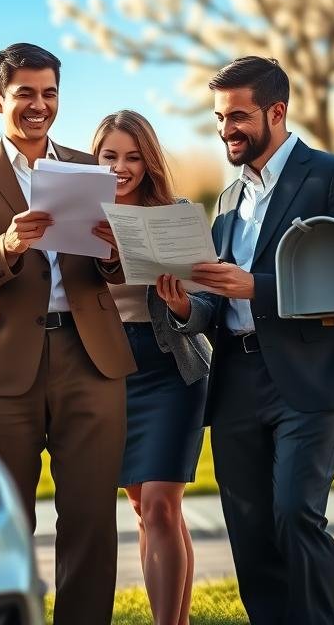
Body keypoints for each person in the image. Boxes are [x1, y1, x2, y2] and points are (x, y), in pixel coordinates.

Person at [169, 56, 334, 625]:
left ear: (276, 112)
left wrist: (257, 287)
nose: (226, 129)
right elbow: (219, 301)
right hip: (236, 380)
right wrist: (186, 305)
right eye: (219, 118)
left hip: (310, 377)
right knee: (249, 527)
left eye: (238, 116)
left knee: (294, 512)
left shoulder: (333, 176)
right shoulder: (226, 201)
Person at [0, 43, 135, 625]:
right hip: (3, 365)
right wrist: (10, 244)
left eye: (49, 93)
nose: (39, 105)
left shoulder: (88, 167)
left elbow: (117, 273)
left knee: (91, 519)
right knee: (4, 519)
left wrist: (113, 249)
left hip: (90, 357)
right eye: (25, 93)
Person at [91, 110, 212, 625]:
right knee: (145, 508)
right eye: (110, 156)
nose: (121, 167)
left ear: (149, 162)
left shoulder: (175, 215)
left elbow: (207, 304)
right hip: (109, 369)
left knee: (162, 504)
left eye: (133, 157)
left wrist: (182, 304)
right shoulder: (83, 218)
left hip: (170, 367)